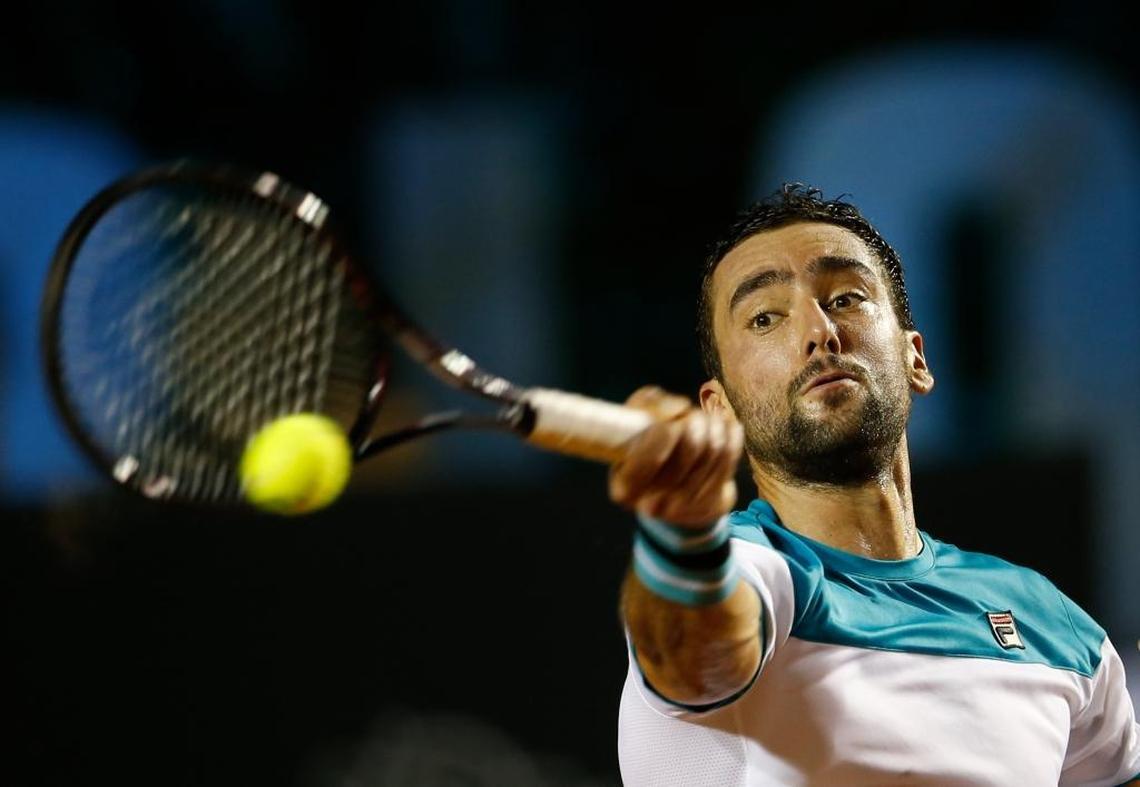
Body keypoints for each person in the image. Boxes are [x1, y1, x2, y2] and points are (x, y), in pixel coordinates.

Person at [611, 185, 1140, 786]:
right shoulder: (744, 569)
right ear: (719, 409)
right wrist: (685, 531)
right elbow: (694, 653)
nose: (818, 330)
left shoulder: (1052, 623)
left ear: (915, 357)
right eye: (765, 317)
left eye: (845, 297)